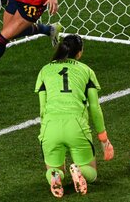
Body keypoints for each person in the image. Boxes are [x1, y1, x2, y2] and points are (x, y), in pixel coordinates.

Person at [35, 34, 114, 198]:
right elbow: (94, 107)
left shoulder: (44, 70)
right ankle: (80, 171)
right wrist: (103, 139)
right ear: (79, 53)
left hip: (50, 128)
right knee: (91, 171)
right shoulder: (86, 71)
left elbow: (42, 109)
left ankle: (55, 176)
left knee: (54, 168)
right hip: (76, 127)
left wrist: (44, 134)